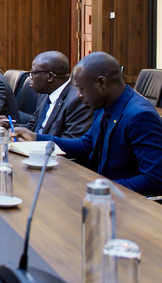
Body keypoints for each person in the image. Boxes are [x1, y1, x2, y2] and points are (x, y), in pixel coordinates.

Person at [13, 52, 162, 196]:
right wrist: (36, 138)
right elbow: (85, 145)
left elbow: (155, 179)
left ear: (102, 83)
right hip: (97, 193)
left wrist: (101, 188)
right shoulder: (103, 106)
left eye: (82, 88)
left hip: (125, 203)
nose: (79, 95)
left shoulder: (139, 116)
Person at [0, 51, 92, 138]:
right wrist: (10, 125)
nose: (31, 78)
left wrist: (35, 141)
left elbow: (70, 144)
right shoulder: (45, 94)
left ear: (50, 76)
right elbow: (33, 127)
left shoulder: (77, 100)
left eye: (33, 73)